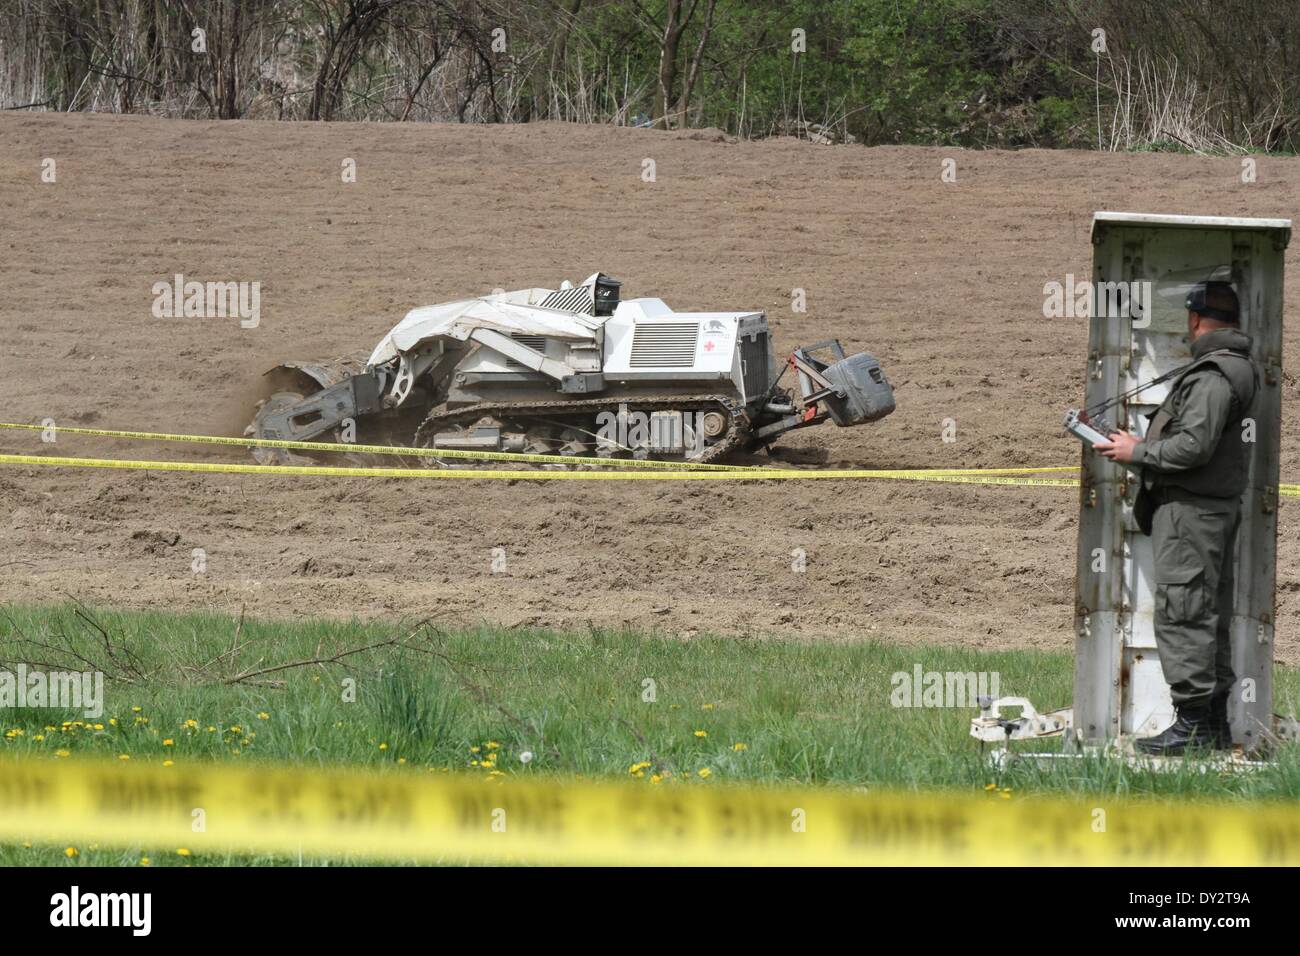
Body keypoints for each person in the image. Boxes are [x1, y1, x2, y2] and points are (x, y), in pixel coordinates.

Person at [1093, 280, 1259, 755]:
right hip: (1204, 511)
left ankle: (1192, 728)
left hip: (1191, 513)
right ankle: (1212, 726)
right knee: (1204, 615)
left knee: (1183, 614)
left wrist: (1136, 451)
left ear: (1195, 319)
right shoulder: (1234, 367)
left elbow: (1194, 446)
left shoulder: (1213, 374)